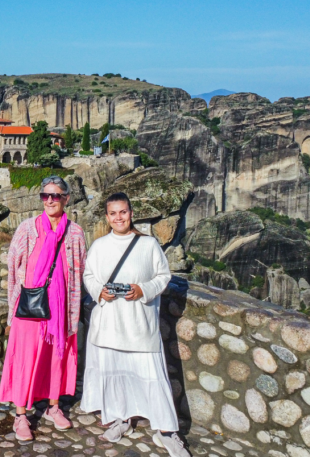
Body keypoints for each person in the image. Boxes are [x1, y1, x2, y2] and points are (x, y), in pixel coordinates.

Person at [79, 192, 190, 457]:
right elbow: (89, 275)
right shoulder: (100, 245)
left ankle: (166, 431)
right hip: (108, 323)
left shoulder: (148, 245)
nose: (119, 217)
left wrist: (142, 290)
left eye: (123, 212)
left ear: (131, 213)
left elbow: (163, 276)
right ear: (107, 217)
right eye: (113, 213)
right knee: (115, 372)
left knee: (152, 376)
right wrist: (98, 292)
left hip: (139, 324)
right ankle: (121, 418)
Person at [0, 175, 88, 441]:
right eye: (45, 195)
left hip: (59, 309)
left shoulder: (76, 233)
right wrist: (11, 308)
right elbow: (13, 270)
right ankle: (20, 415)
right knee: (24, 359)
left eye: (56, 195)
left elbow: (79, 273)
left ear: (66, 198)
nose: (50, 200)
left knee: (55, 358)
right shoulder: (27, 228)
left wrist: (73, 310)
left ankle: (52, 407)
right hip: (29, 308)